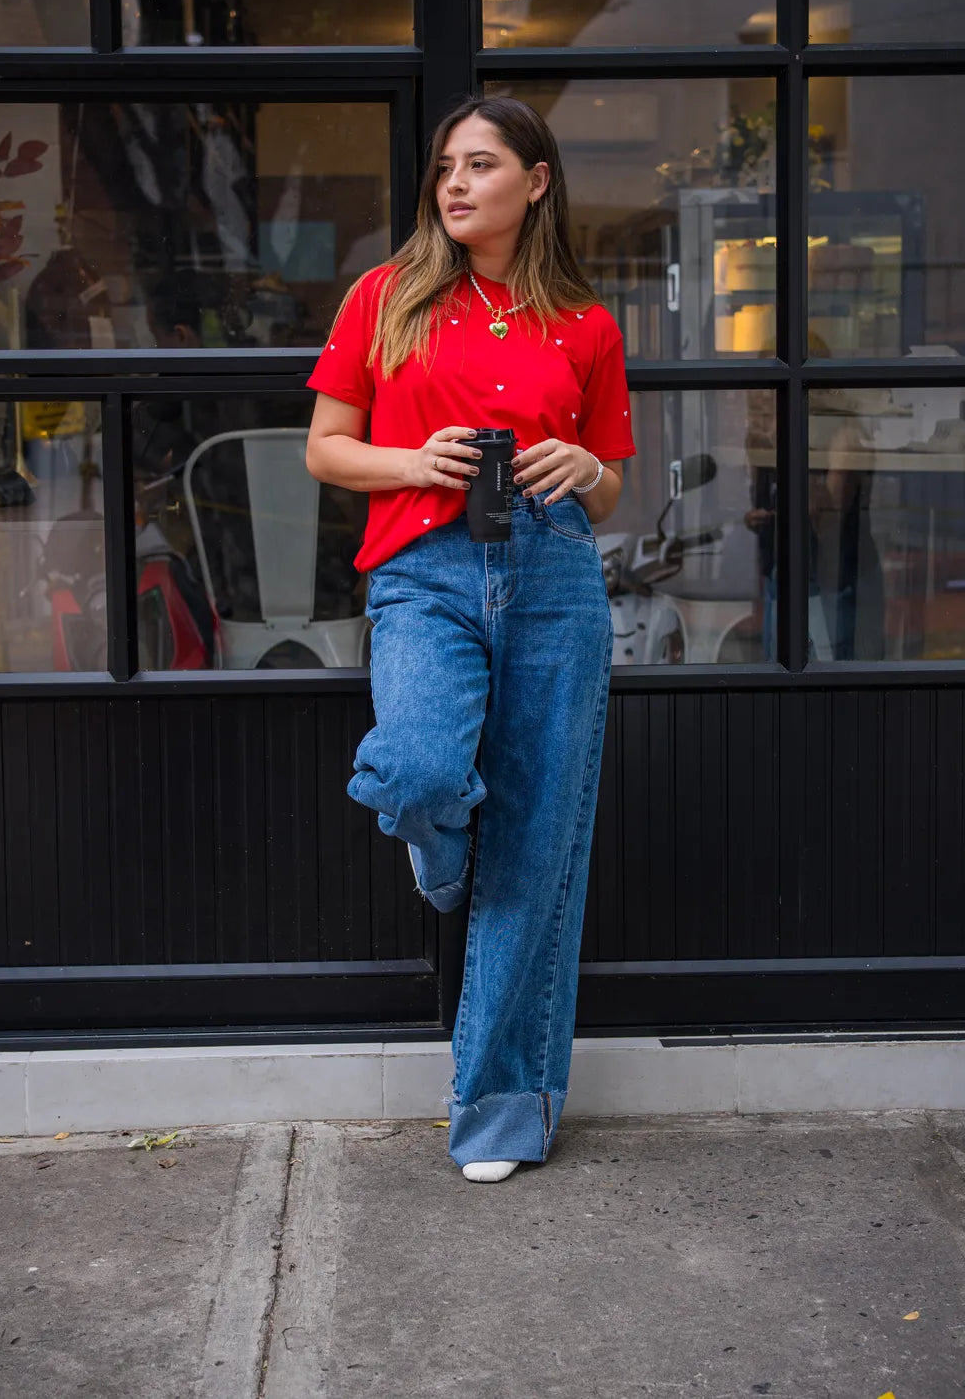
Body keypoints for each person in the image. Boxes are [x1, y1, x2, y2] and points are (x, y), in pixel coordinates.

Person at [305, 96, 635, 1183]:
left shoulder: (584, 322)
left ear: (534, 182)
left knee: (538, 857)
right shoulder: (384, 296)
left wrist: (586, 472)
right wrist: (417, 462)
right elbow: (326, 449)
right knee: (413, 763)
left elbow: (613, 479)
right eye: (446, 165)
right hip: (424, 568)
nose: (454, 183)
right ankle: (438, 849)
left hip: (551, 573)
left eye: (480, 164)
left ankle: (498, 1110)